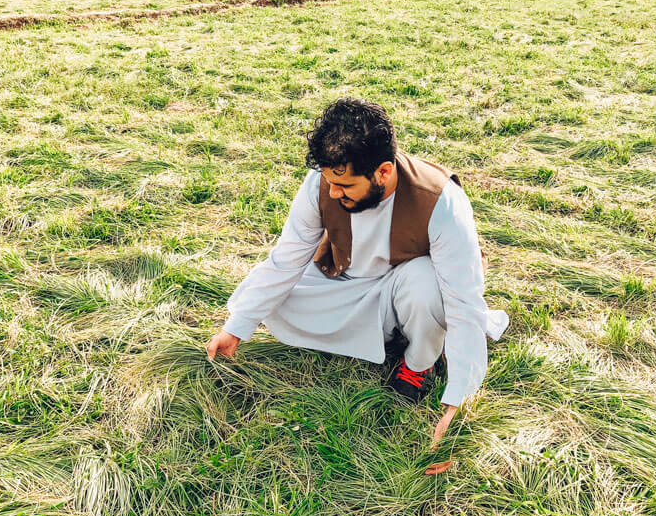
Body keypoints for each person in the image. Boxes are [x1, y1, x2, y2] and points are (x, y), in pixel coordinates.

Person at [206, 98, 508, 461]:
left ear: (382, 172)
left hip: (407, 287)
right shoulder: (323, 181)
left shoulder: (442, 202)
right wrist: (237, 327)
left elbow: (464, 302)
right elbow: (286, 259)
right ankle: (394, 334)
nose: (333, 192)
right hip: (341, 282)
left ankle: (417, 363)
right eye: (330, 182)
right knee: (280, 300)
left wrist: (456, 404)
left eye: (345, 186)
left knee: (430, 290)